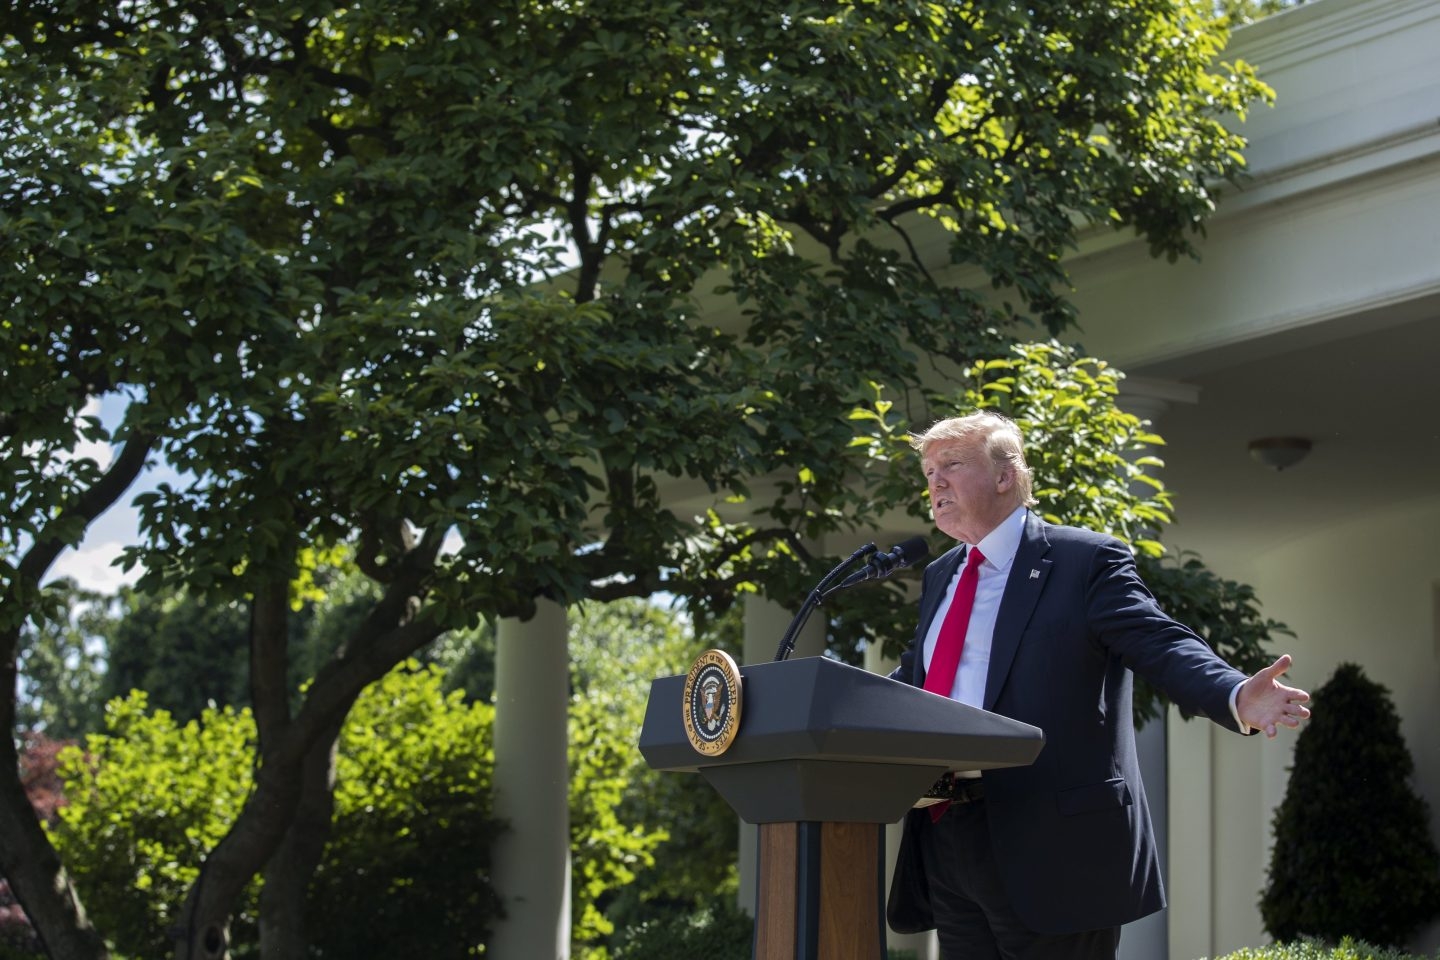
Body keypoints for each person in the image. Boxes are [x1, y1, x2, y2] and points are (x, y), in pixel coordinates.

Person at [886, 411, 1310, 960]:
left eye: (951, 465)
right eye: (928, 471)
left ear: (1005, 475)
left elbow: (1160, 642)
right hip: (949, 834)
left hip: (1052, 843)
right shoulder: (941, 574)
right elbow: (919, 680)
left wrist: (1233, 694)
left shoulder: (1082, 560)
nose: (935, 482)